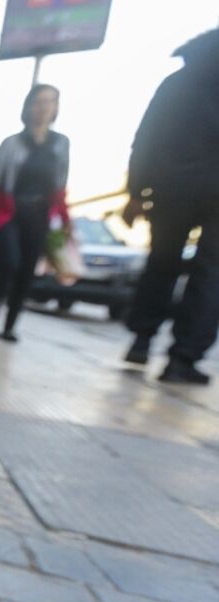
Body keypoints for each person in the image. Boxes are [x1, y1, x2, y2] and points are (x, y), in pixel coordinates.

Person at [121, 29, 219, 385]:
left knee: (161, 263)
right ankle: (182, 359)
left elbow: (146, 138)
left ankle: (141, 340)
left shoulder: (176, 83)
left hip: (169, 188)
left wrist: (135, 191)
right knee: (211, 274)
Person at [0, 84, 70, 343]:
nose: (44, 107)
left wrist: (66, 223)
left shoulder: (60, 144)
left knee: (27, 270)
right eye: (39, 101)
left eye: (50, 102)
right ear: (28, 106)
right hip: (9, 212)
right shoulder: (12, 143)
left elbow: (59, 188)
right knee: (9, 262)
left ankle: (10, 325)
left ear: (56, 108)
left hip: (39, 215)